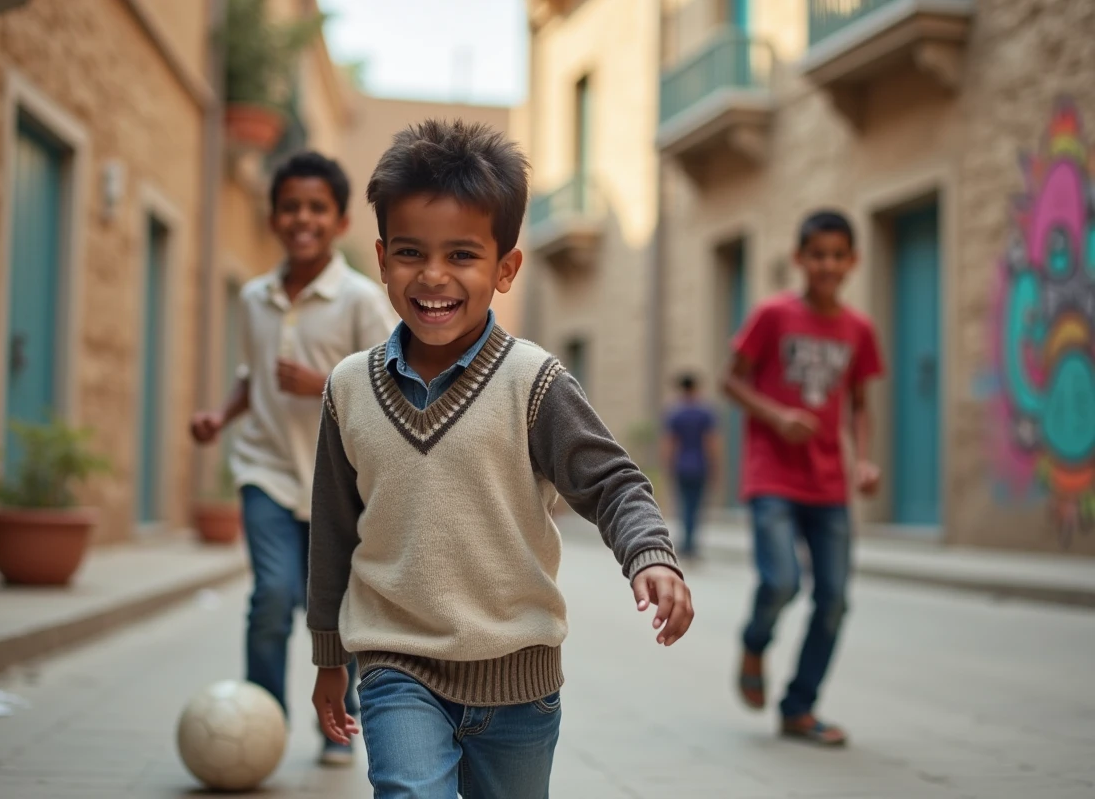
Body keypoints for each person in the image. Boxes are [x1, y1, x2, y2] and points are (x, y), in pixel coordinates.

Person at [305, 119, 694, 798]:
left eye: (461, 255)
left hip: (521, 681)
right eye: (409, 253)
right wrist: (328, 657)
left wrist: (650, 553)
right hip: (397, 663)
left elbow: (611, 482)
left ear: (505, 268)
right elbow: (334, 530)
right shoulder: (347, 388)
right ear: (381, 257)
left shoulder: (533, 382)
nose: (432, 276)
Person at [188, 151, 398, 767]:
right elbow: (252, 375)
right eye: (290, 207)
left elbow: (390, 376)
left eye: (316, 208)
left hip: (339, 484)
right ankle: (257, 724)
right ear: (274, 216)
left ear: (337, 223)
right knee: (274, 595)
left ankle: (341, 721)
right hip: (266, 471)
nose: (302, 218)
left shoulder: (359, 299)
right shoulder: (253, 297)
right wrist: (220, 418)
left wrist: (324, 385)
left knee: (331, 609)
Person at [722, 209, 883, 747]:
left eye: (839, 255)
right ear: (800, 259)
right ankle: (754, 642)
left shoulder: (859, 329)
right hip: (772, 476)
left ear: (853, 262)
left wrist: (864, 459)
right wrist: (776, 417)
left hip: (829, 483)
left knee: (834, 599)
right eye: (818, 255)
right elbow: (731, 382)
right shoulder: (773, 315)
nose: (828, 265)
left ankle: (799, 708)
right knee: (782, 581)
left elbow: (861, 404)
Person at [662, 372, 718, 558]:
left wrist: (668, 465)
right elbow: (710, 442)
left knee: (683, 505)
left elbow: (671, 442)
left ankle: (686, 544)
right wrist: (715, 466)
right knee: (695, 506)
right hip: (700, 465)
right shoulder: (705, 412)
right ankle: (690, 544)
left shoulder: (675, 413)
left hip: (681, 466)